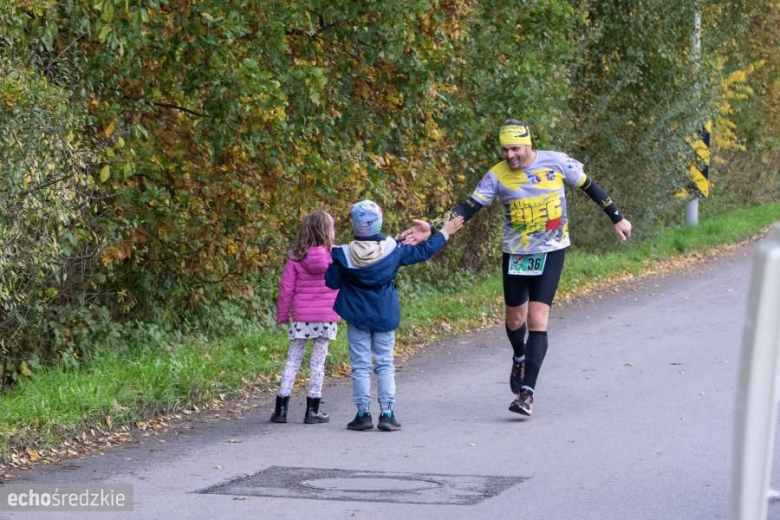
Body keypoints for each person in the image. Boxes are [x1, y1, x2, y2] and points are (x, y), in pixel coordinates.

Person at [401, 119, 632, 417]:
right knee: (514, 320)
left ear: (529, 145)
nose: (509, 155)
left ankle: (527, 394)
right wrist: (432, 227)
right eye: (505, 149)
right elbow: (468, 207)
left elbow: (590, 186)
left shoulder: (557, 163)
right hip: (516, 255)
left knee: (538, 317)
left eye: (515, 149)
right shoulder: (497, 175)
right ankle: (519, 357)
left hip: (551, 251)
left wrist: (617, 217)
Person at [325, 200, 463, 432]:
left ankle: (362, 414)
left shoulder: (342, 254)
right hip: (385, 314)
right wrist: (445, 233)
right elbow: (423, 251)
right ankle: (387, 414)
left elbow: (331, 282)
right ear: (379, 223)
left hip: (357, 316)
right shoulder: (393, 250)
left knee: (360, 366)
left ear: (354, 226)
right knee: (385, 363)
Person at [273, 210, 340, 424]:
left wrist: (283, 315)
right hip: (326, 317)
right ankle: (312, 411)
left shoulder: (296, 258)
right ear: (327, 231)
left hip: (301, 318)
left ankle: (281, 409)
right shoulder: (336, 256)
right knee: (317, 363)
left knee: (293, 360)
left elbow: (286, 289)